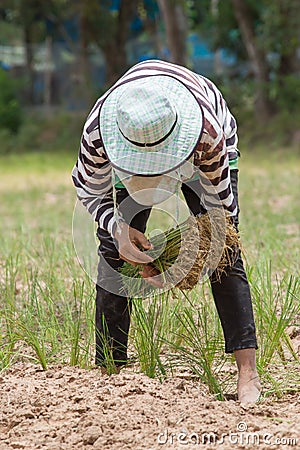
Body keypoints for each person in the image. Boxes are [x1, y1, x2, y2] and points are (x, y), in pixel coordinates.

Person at [72, 59, 261, 403]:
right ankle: (108, 372)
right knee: (115, 254)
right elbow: (87, 189)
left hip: (199, 156)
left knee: (226, 257)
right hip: (130, 153)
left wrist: (190, 261)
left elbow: (224, 222)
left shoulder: (207, 137)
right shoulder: (100, 133)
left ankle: (247, 372)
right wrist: (117, 227)